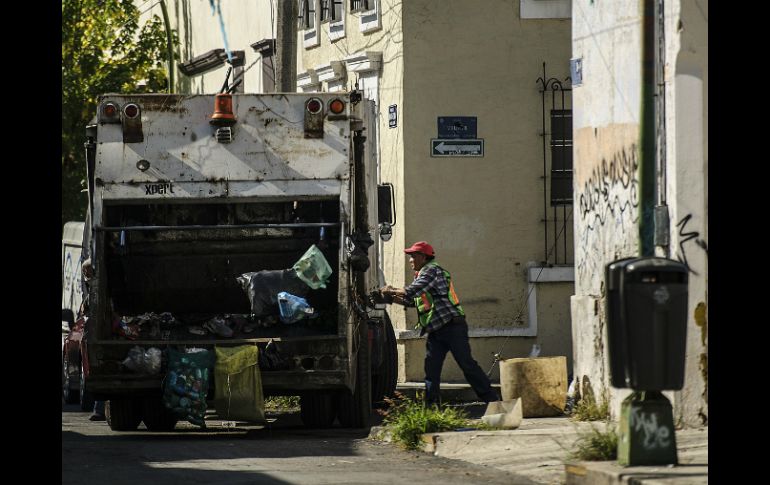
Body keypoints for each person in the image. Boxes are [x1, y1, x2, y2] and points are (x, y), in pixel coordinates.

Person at [380, 241, 499, 406]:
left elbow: (413, 290)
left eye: (413, 256)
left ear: (423, 257)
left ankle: (492, 400)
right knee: (431, 369)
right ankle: (431, 405)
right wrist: (391, 297)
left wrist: (389, 291)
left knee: (466, 364)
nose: (410, 260)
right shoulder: (423, 273)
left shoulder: (431, 270)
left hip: (452, 327)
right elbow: (411, 301)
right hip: (436, 329)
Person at [81, 258, 106, 422]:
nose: (85, 275)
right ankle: (99, 409)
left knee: (100, 370)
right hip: (98, 333)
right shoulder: (95, 286)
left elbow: (87, 309)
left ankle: (99, 409)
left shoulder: (97, 287)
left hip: (100, 333)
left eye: (87, 272)